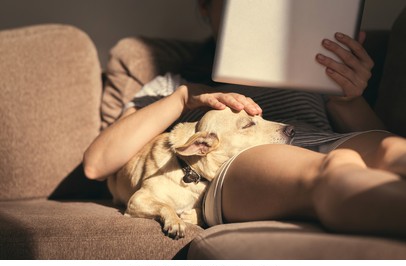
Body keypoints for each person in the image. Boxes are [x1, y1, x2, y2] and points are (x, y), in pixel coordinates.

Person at [83, 0, 406, 237]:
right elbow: (97, 164)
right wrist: (183, 98)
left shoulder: (313, 75)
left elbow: (377, 137)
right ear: (207, 8)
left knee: (395, 152)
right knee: (337, 168)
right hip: (246, 159)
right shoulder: (173, 85)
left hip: (326, 137)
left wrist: (348, 96)